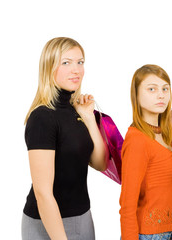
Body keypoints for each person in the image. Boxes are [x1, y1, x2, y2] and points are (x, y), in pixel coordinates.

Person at [22, 37, 106, 240]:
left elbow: (101, 163)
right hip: (49, 223)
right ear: (49, 67)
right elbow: (43, 193)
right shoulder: (43, 117)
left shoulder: (74, 110)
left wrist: (88, 117)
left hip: (83, 216)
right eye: (66, 62)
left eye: (80, 62)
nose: (76, 70)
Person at [119, 64, 172, 240]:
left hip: (165, 232)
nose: (161, 94)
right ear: (136, 95)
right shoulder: (137, 140)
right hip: (146, 234)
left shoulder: (165, 134)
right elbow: (127, 204)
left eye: (165, 88)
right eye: (152, 89)